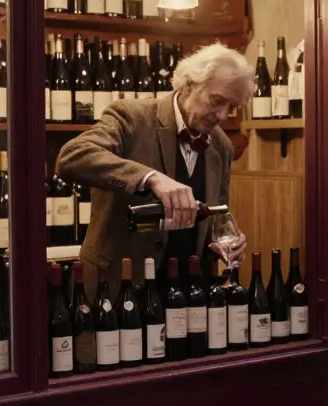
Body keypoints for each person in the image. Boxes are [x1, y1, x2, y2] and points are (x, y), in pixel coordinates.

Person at [56, 42, 249, 294]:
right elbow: (72, 156)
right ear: (190, 84)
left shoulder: (221, 144)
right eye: (217, 100)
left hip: (185, 291)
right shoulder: (131, 116)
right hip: (119, 286)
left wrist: (223, 240)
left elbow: (216, 217)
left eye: (231, 107)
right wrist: (150, 177)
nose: (223, 115)